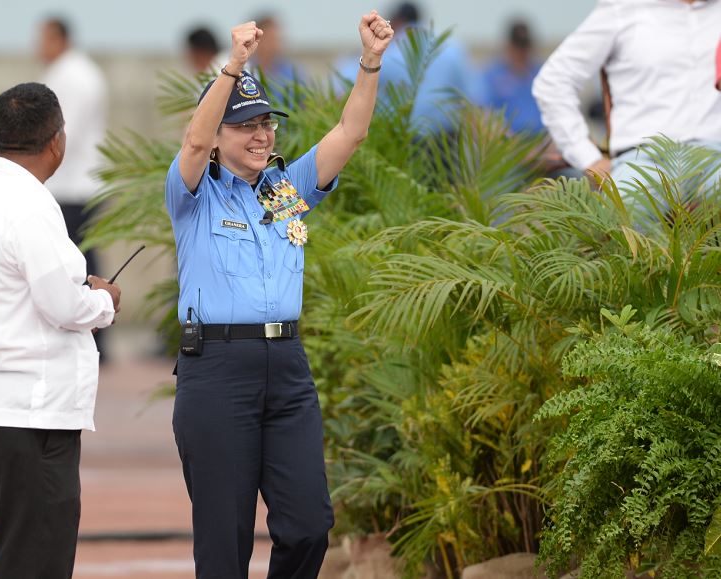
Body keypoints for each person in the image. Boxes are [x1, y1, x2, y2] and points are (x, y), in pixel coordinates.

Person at [165, 13, 393, 579]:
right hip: (217, 371)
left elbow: (350, 134)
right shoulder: (194, 194)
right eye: (246, 126)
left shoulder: (286, 190)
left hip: (287, 369)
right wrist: (234, 65)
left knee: (309, 523)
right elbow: (194, 139)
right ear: (220, 136)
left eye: (267, 123)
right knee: (225, 539)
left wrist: (370, 62)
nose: (262, 134)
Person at [0, 82, 121, 579]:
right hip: (31, 415)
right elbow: (62, 303)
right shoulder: (31, 206)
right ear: (57, 141)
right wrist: (104, 299)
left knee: (19, 555)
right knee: (36, 564)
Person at [532, 0, 721, 191]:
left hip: (716, 153)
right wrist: (588, 158)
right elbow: (553, 81)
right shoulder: (622, 8)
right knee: (629, 208)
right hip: (643, 159)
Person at [36, 17, 112, 358]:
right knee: (81, 256)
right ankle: (94, 334)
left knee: (79, 259)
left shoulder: (75, 75)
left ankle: (97, 336)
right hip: (74, 182)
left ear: (58, 38)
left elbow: (67, 131)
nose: (38, 45)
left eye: (42, 38)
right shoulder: (73, 72)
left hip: (75, 183)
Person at [333, 2, 480, 135]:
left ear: (396, 22)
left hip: (401, 143)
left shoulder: (390, 50)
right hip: (445, 140)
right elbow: (472, 96)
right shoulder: (453, 49)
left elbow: (345, 85)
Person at [480, 19, 544, 134]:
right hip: (507, 142)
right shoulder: (493, 76)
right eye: (517, 46)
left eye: (524, 46)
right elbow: (484, 113)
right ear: (509, 46)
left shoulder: (542, 74)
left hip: (542, 140)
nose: (521, 51)